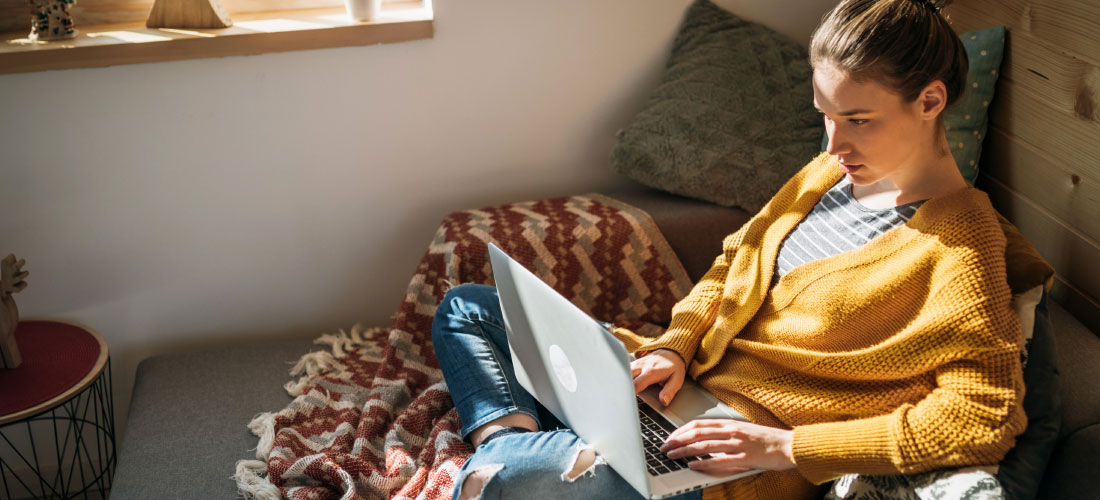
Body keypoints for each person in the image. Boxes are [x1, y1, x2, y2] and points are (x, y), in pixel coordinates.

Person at [431, 0, 1028, 498]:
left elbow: (982, 417)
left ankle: (507, 462)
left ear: (929, 102)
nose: (835, 142)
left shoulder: (961, 240)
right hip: (676, 389)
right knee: (467, 308)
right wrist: (675, 347)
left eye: (858, 119)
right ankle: (512, 446)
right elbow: (732, 263)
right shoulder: (825, 173)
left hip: (724, 458)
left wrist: (785, 448)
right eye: (825, 116)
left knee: (509, 480)